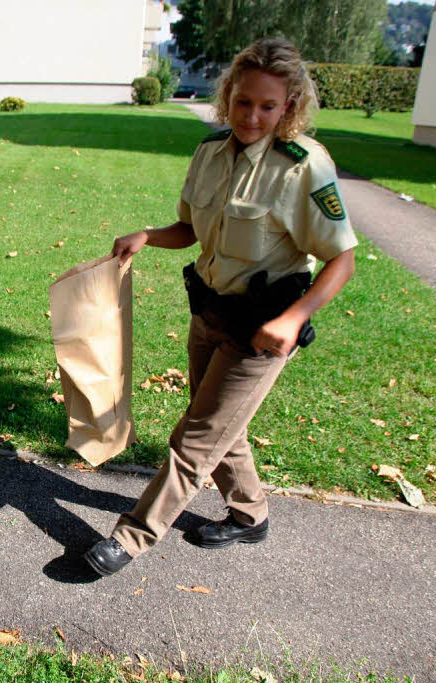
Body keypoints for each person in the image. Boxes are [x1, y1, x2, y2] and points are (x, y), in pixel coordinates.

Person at [83, 38, 357, 577]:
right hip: (208, 314)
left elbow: (341, 259)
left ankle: (132, 538)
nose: (253, 116)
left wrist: (294, 317)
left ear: (289, 107)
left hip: (261, 331)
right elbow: (189, 229)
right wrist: (148, 235)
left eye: (268, 106)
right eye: (243, 102)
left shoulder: (304, 167)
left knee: (195, 439)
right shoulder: (210, 152)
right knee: (224, 427)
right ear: (227, 97)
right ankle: (251, 515)